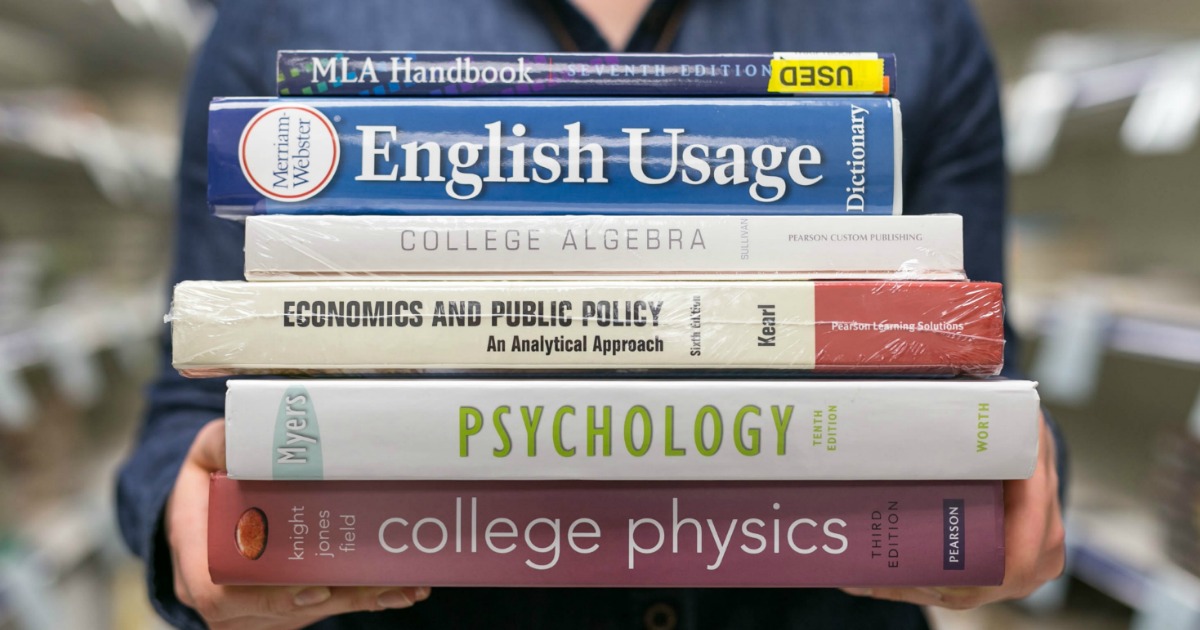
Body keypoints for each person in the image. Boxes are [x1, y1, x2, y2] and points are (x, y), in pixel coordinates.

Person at [116, 0, 1066, 627]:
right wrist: (188, 526)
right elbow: (190, 405)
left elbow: (971, 360)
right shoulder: (281, 16)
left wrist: (1009, 482)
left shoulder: (920, 20)